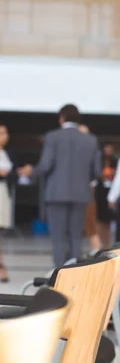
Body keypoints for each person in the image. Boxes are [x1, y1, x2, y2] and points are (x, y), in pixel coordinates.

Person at [18, 104, 101, 267]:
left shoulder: (52, 137)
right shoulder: (90, 140)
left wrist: (31, 171)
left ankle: (59, 276)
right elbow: (96, 172)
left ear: (61, 118)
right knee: (76, 238)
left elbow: (46, 165)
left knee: (58, 238)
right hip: (80, 195)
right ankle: (75, 276)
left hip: (56, 194)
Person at [78, 124, 102, 256]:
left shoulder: (93, 151)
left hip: (87, 188)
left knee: (89, 219)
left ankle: (96, 248)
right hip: (74, 189)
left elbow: (96, 172)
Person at [0, 125, 16, 282]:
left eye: (5, 133)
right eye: (1, 133)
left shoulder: (7, 153)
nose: (4, 136)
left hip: (4, 193)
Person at [95, 143, 117, 248]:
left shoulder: (115, 161)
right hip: (100, 192)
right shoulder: (99, 161)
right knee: (99, 219)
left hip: (110, 192)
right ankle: (99, 243)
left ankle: (107, 244)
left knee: (108, 220)